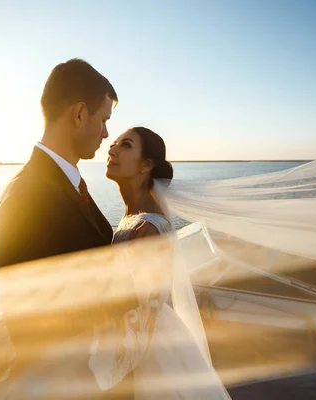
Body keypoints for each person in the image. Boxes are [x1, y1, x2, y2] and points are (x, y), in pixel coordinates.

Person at [88, 127, 231, 399]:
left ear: (146, 166)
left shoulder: (147, 231)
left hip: (151, 356)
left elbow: (141, 317)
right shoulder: (136, 218)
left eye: (126, 145)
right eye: (115, 143)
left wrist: (105, 373)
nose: (112, 148)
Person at [0, 58, 116, 268]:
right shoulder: (24, 203)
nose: (106, 134)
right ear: (79, 114)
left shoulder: (65, 183)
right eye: (104, 120)